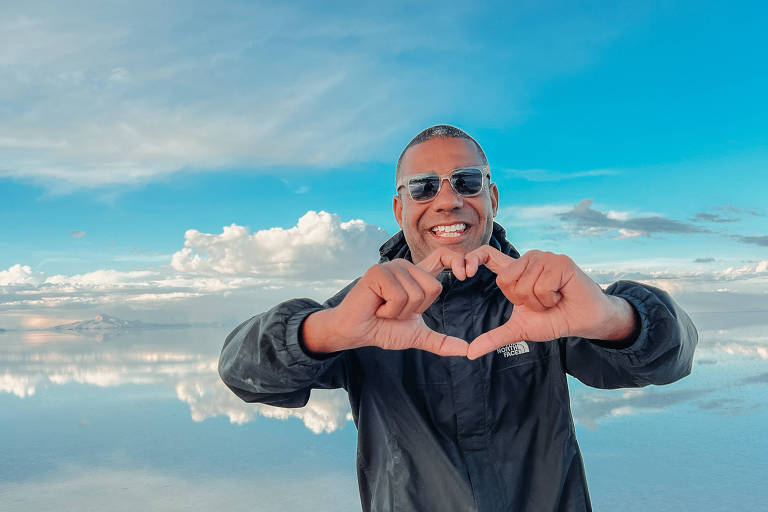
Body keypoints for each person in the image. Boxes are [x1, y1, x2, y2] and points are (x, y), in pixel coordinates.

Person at [219, 125, 698, 511]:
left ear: (491, 198)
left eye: (466, 182)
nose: (447, 200)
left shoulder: (543, 296)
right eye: (424, 187)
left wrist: (617, 319)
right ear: (399, 207)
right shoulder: (364, 309)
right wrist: (323, 332)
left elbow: (670, 358)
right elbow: (241, 372)